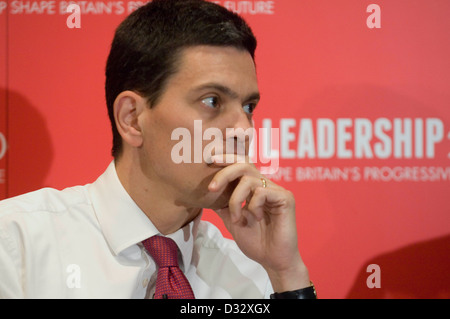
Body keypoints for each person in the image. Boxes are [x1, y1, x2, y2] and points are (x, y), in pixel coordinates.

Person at [0, 0, 315, 299]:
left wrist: (286, 273)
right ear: (133, 118)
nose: (244, 131)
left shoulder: (257, 275)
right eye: (212, 101)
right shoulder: (17, 246)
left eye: (248, 106)